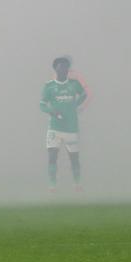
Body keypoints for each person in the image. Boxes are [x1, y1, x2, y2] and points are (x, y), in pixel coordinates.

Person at [40, 56, 87, 192]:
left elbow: (83, 94)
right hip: (55, 128)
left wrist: (75, 105)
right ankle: (52, 185)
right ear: (55, 69)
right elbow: (42, 105)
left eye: (66, 67)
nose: (63, 69)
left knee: (74, 158)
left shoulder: (74, 84)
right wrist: (52, 112)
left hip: (71, 128)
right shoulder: (49, 86)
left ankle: (77, 184)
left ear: (68, 69)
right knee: (52, 157)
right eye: (60, 67)